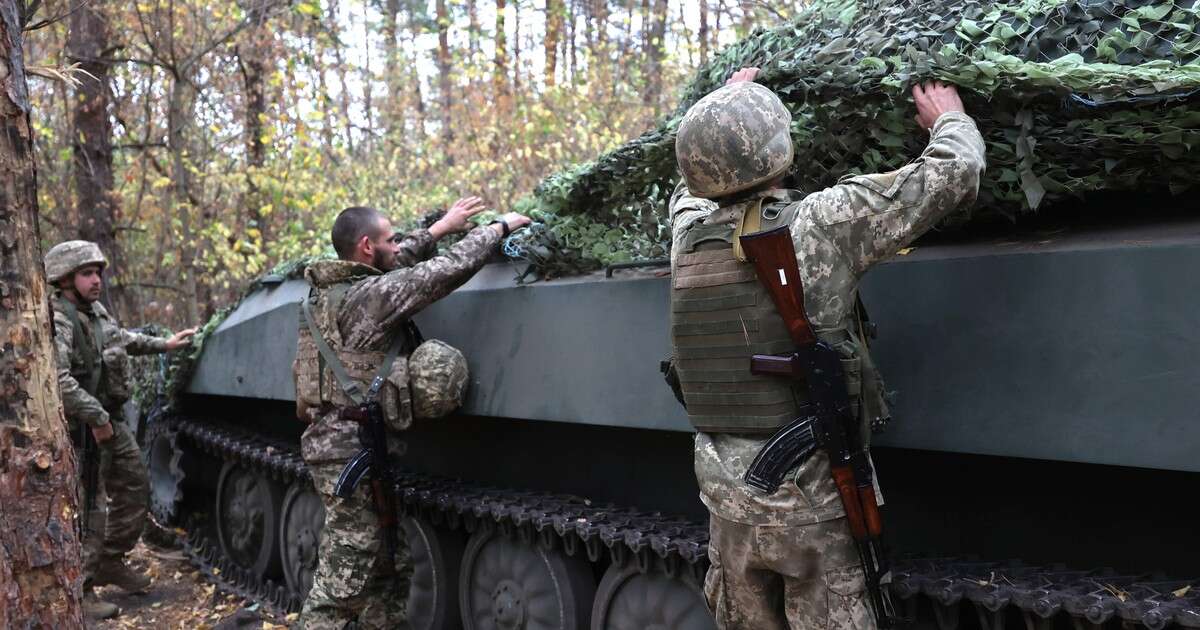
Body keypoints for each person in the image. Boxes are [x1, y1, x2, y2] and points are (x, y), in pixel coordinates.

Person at [668, 69, 986, 629]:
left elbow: (684, 195)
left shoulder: (688, 240)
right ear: (778, 147)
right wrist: (950, 120)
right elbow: (955, 172)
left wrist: (724, 105)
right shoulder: (818, 223)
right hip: (810, 496)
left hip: (725, 501)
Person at [294, 198, 531, 629]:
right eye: (389, 239)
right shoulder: (368, 298)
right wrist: (497, 228)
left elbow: (400, 261)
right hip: (349, 452)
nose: (397, 244)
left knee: (391, 566)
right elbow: (439, 274)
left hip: (347, 446)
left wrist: (440, 228)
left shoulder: (329, 293)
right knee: (342, 583)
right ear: (366, 247)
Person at [45, 240, 197, 621]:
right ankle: (84, 588)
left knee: (136, 491)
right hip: (84, 428)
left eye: (97, 272)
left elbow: (121, 340)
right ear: (64, 279)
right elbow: (57, 379)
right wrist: (95, 419)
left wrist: (164, 343)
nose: (96, 280)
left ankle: (110, 560)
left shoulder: (94, 312)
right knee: (91, 507)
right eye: (86, 273)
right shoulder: (59, 319)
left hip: (109, 421)